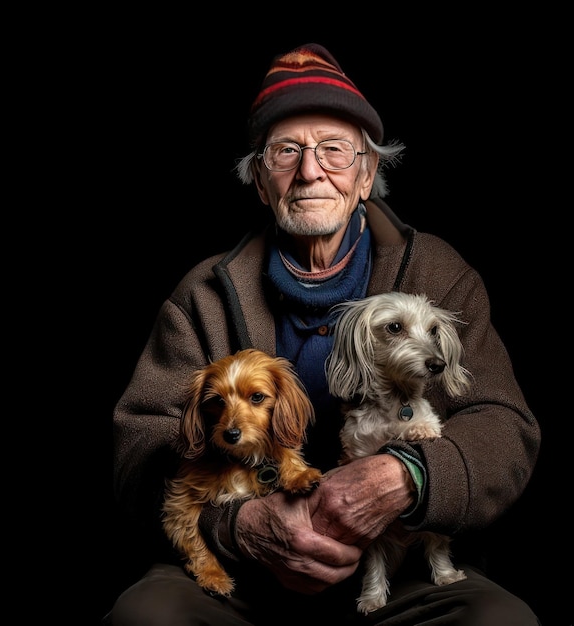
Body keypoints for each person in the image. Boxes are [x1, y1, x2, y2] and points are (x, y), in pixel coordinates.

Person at [105, 43, 541, 625]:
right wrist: (239, 526)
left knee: (499, 621)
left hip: (402, 560)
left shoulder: (439, 273)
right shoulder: (201, 293)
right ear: (261, 182)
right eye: (287, 151)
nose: (311, 171)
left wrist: (409, 476)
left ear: (367, 175)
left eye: (334, 150)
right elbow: (140, 443)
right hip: (245, 568)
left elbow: (505, 425)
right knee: (147, 616)